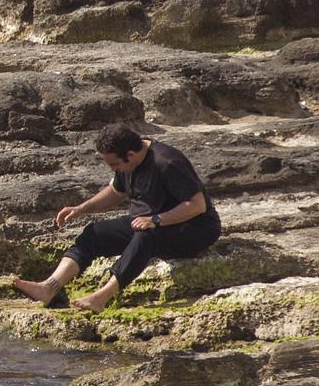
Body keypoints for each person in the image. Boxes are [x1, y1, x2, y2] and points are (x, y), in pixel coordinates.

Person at [14, 123, 222, 313]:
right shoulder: (127, 163)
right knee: (94, 234)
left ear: (130, 155)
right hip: (148, 221)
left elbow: (197, 206)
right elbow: (115, 192)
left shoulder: (167, 162)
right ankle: (48, 288)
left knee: (146, 237)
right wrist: (81, 208)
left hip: (194, 228)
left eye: (114, 165)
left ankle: (101, 297)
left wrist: (156, 220)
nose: (113, 170)